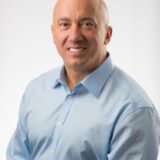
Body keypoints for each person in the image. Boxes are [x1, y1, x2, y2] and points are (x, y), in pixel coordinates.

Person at [7, 0, 160, 159]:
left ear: (107, 35)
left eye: (87, 24)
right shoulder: (35, 91)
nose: (74, 36)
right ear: (53, 33)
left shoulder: (133, 110)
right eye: (64, 25)